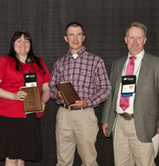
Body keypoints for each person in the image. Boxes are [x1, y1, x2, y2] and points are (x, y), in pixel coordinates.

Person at [101, 22, 159, 166]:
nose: (135, 42)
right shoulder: (117, 64)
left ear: (145, 40)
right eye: (131, 37)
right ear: (126, 40)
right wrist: (106, 119)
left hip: (144, 124)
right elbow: (111, 93)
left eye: (139, 38)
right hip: (119, 123)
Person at [49, 22, 111, 166]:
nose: (75, 38)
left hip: (85, 114)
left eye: (78, 34)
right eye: (71, 34)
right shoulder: (60, 63)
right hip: (64, 114)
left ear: (83, 37)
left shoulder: (95, 61)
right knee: (63, 161)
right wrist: (57, 94)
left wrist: (87, 102)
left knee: (89, 161)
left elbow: (105, 88)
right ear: (66, 38)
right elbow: (51, 87)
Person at [0, 30, 51, 166]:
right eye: (19, 41)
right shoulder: (5, 61)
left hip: (31, 115)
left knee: (22, 156)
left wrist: (43, 100)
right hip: (9, 116)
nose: (23, 44)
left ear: (31, 44)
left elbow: (47, 88)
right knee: (11, 156)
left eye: (27, 41)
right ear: (13, 44)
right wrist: (13, 96)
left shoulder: (39, 63)